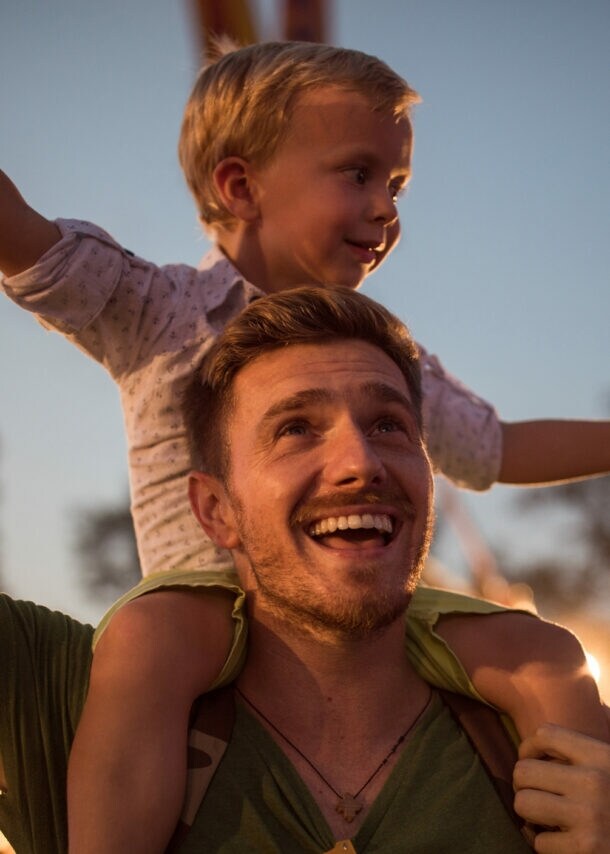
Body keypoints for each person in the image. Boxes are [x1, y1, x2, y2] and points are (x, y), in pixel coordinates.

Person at [0, 39, 609, 851]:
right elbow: (23, 236)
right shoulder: (156, 308)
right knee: (147, 645)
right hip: (200, 598)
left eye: (395, 185)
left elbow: (496, 448)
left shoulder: (395, 360)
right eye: (359, 174)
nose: (387, 207)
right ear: (241, 185)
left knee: (543, 653)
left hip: (362, 591)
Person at [0, 285, 608, 853]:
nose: (360, 462)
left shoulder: (540, 740)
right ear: (216, 511)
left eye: (389, 425)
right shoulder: (83, 699)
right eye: (295, 429)